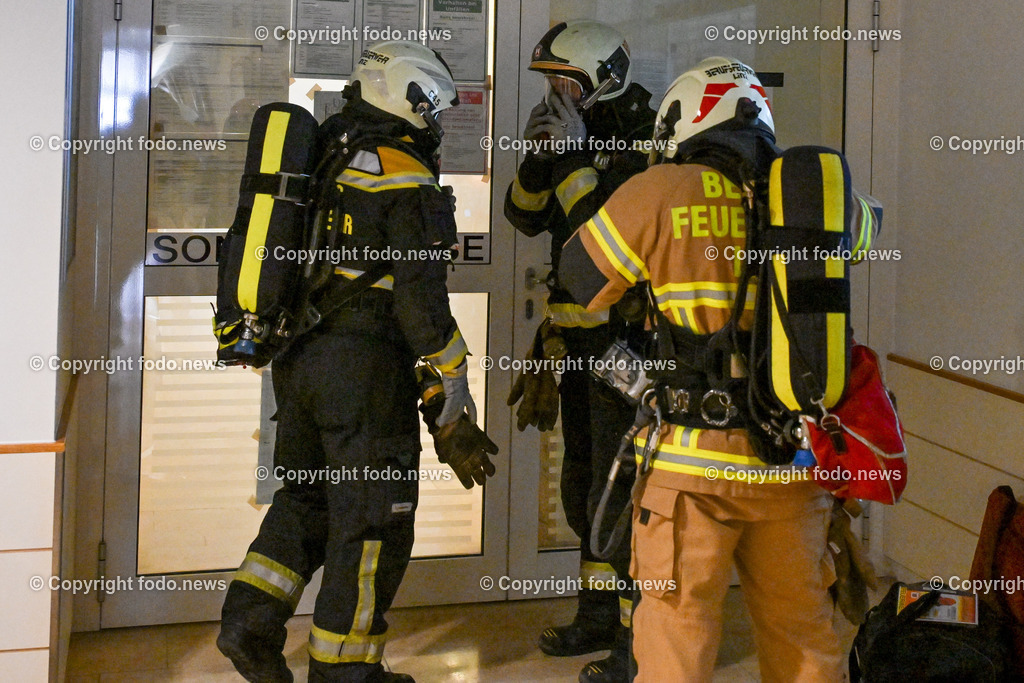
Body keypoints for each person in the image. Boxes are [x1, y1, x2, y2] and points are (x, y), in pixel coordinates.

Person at [560, 56, 879, 681]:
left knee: (675, 644)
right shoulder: (815, 195)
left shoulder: (661, 189)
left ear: (686, 118)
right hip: (791, 462)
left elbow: (580, 279)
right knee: (804, 640)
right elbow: (868, 231)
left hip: (690, 470)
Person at [218, 41, 496, 683]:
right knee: (373, 520)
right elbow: (420, 305)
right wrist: (453, 377)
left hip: (301, 360)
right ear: (410, 97)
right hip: (363, 373)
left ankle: (248, 625)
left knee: (307, 500)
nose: (436, 122)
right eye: (434, 108)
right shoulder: (403, 170)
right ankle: (346, 672)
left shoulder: (324, 152)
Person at [503, 19, 655, 683]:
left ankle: (636, 640)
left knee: (621, 496)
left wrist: (571, 156)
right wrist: (540, 156)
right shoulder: (573, 133)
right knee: (584, 486)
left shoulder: (646, 137)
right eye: (550, 82)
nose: (556, 93)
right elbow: (523, 214)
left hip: (629, 349)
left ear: (602, 80)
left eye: (566, 80)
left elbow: (600, 235)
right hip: (578, 346)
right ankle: (597, 613)